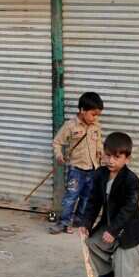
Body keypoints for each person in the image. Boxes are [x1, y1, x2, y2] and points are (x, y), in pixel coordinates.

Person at [78, 131, 139, 277]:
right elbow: (93, 201)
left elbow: (128, 210)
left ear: (127, 159)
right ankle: (107, 273)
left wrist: (113, 230)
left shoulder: (131, 181)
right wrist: (86, 222)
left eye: (117, 157)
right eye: (108, 156)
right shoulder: (100, 174)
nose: (111, 161)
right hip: (109, 223)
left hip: (128, 229)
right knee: (92, 242)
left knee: (122, 262)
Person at [49, 91, 104, 234]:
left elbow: (98, 143)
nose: (95, 118)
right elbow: (57, 142)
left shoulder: (96, 126)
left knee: (86, 197)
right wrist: (59, 156)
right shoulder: (70, 126)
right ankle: (63, 223)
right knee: (71, 197)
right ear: (82, 110)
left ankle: (79, 220)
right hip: (76, 170)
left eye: (98, 115)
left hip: (93, 169)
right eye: (93, 114)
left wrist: (101, 154)